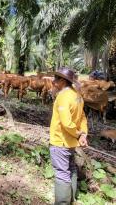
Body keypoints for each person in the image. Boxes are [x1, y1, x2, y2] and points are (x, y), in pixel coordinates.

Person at [50, 67, 88, 204]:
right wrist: (83, 134)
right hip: (71, 143)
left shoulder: (63, 97)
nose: (53, 81)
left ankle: (62, 202)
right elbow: (83, 117)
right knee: (71, 169)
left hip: (61, 141)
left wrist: (78, 135)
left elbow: (66, 123)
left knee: (61, 173)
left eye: (56, 79)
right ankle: (71, 199)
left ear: (63, 81)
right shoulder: (77, 95)